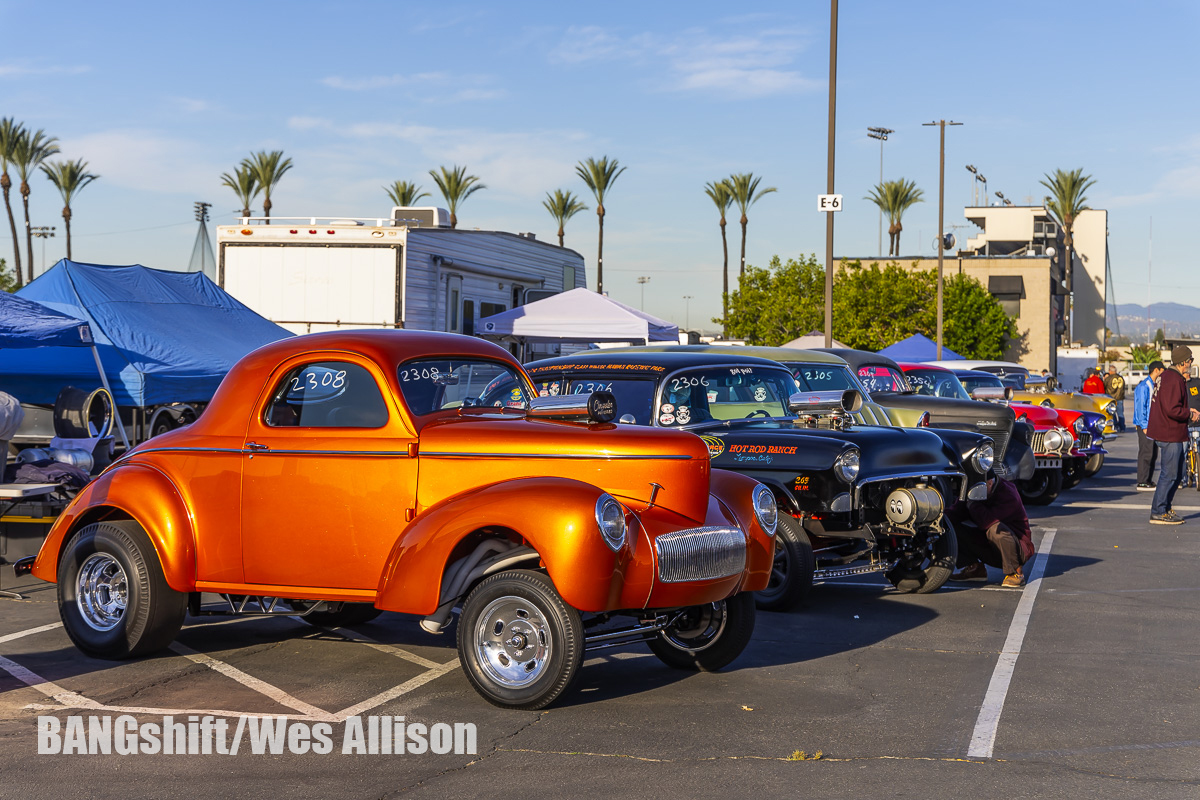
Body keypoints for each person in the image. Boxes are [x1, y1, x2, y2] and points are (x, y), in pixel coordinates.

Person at [949, 470, 1035, 588]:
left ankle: (1016, 572)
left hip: (1017, 549)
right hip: (989, 545)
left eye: (977, 488)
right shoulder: (973, 492)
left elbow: (987, 521)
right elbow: (955, 513)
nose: (974, 491)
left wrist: (972, 504)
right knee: (950, 527)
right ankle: (974, 569)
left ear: (989, 483)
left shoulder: (1008, 493)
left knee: (995, 529)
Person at [1148, 345, 1200, 524]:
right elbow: (1172, 409)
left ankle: (1165, 507)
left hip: (1169, 432)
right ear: (1184, 362)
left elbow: (1169, 405)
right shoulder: (1174, 379)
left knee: (1177, 474)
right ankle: (1158, 511)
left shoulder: (1166, 376)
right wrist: (1190, 414)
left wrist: (1186, 410)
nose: (1191, 363)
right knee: (1169, 474)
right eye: (1190, 360)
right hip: (1169, 433)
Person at [1135, 361, 1165, 491]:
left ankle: (1148, 479)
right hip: (1146, 425)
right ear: (1156, 370)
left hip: (1153, 425)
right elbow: (1141, 406)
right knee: (1146, 452)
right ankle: (1142, 481)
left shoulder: (1154, 385)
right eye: (1162, 371)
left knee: (1153, 453)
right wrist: (1144, 425)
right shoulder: (1144, 386)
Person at [1103, 364, 1127, 432]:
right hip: (1120, 398)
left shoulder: (1108, 378)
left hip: (1111, 398)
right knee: (1120, 414)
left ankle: (1115, 426)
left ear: (1110, 371)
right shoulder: (1121, 378)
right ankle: (1122, 427)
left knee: (1112, 413)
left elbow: (1104, 386)